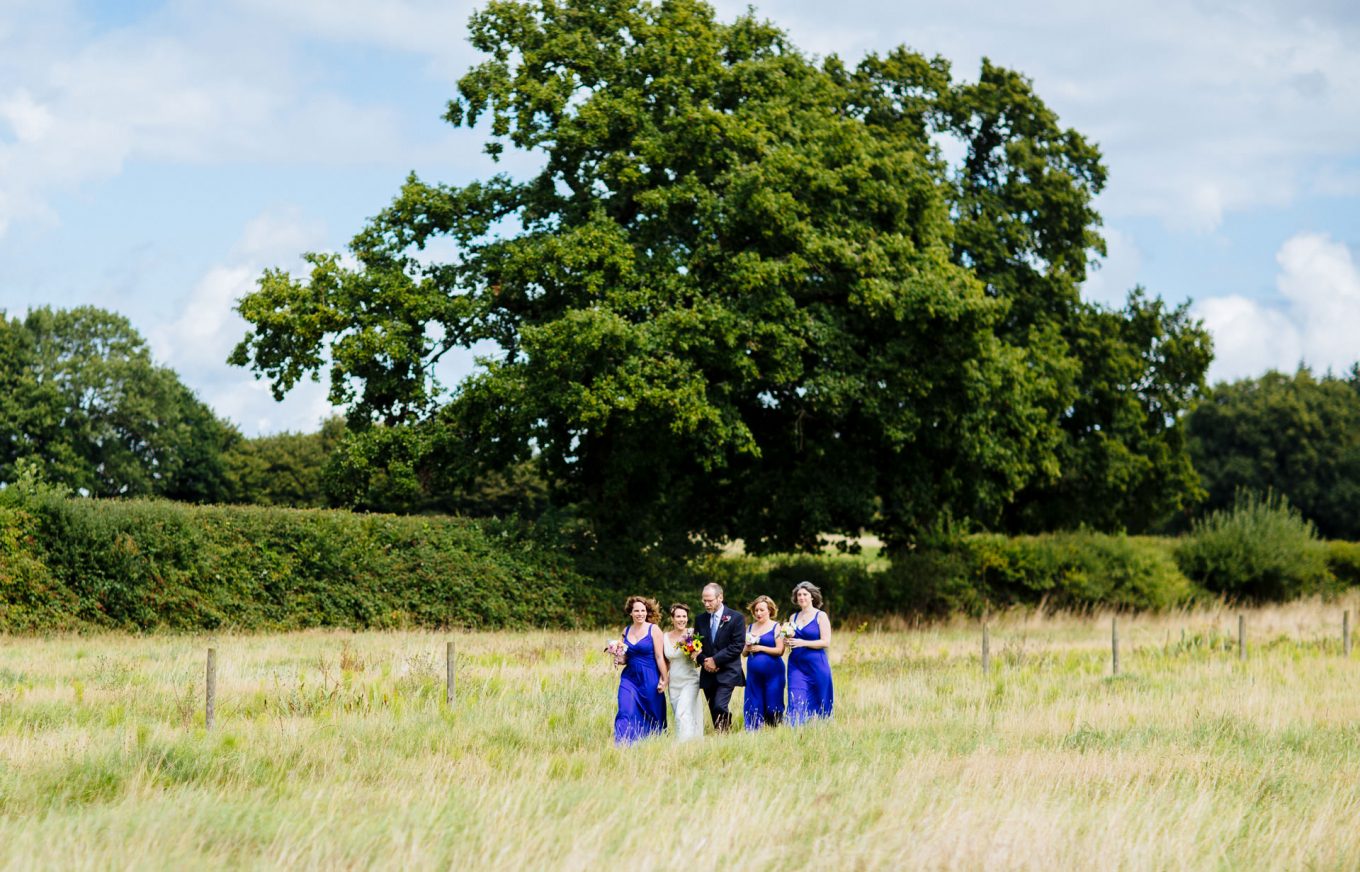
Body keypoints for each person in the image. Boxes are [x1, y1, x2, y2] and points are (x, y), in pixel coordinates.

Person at [613, 596, 669, 744]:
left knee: (653, 713)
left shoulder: (654, 630)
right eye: (636, 611)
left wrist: (664, 679)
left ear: (647, 612)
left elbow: (659, 656)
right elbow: (626, 657)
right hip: (629, 678)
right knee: (625, 709)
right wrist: (619, 658)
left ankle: (653, 742)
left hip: (650, 677)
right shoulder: (626, 631)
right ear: (630, 613)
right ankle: (623, 743)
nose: (640, 614)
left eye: (643, 610)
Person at [696, 583, 745, 732]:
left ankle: (726, 731)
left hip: (728, 671)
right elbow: (697, 645)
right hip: (708, 671)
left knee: (720, 705)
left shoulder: (736, 618)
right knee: (713, 708)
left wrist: (715, 660)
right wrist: (704, 661)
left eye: (710, 600)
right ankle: (723, 735)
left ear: (720, 597)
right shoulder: (700, 619)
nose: (706, 604)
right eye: (704, 600)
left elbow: (737, 645)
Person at [785, 581, 833, 725]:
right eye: (799, 595)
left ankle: (817, 727)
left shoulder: (821, 616)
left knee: (820, 697)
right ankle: (795, 728)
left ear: (812, 597)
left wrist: (803, 643)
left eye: (805, 594)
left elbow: (826, 642)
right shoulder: (793, 617)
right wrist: (788, 641)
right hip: (796, 664)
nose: (802, 597)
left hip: (817, 664)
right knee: (796, 696)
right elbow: (790, 639)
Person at [741, 595, 786, 729]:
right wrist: (747, 647)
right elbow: (743, 653)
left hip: (774, 673)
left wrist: (760, 648)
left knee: (773, 706)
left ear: (770, 610)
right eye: (756, 610)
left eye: (762, 610)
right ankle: (754, 731)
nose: (758, 613)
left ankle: (774, 727)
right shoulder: (749, 628)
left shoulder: (777, 627)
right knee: (753, 704)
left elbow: (780, 650)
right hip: (754, 674)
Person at [662, 603, 704, 742]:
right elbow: (666, 661)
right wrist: (663, 679)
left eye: (684, 616)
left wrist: (696, 653)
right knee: (680, 715)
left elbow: (700, 658)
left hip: (690, 680)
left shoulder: (693, 634)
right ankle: (692, 746)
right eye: (678, 616)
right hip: (674, 683)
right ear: (672, 619)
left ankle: (683, 746)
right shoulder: (665, 637)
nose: (681, 619)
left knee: (682, 713)